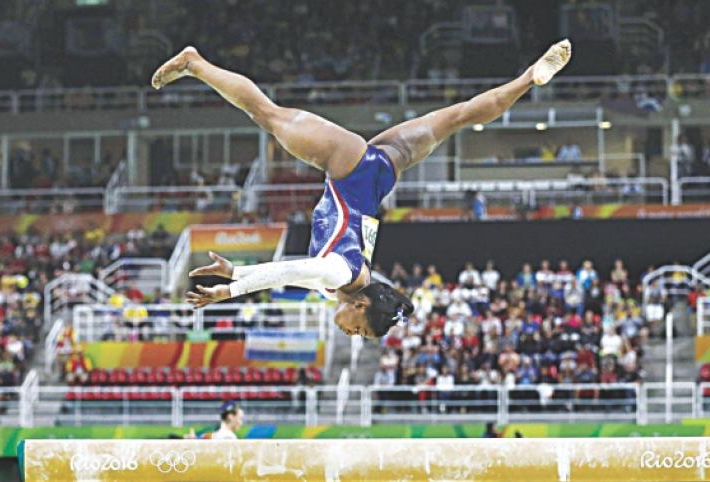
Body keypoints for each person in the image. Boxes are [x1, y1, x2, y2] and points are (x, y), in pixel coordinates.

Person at [162, 40, 573, 339]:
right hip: (349, 167)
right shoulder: (342, 272)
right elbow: (288, 269)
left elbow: (300, 277)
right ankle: (195, 63)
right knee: (266, 113)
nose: (351, 334)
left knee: (457, 117)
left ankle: (527, 79)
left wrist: (236, 272)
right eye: (359, 330)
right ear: (360, 306)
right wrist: (230, 291)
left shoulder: (348, 281)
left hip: (381, 174)